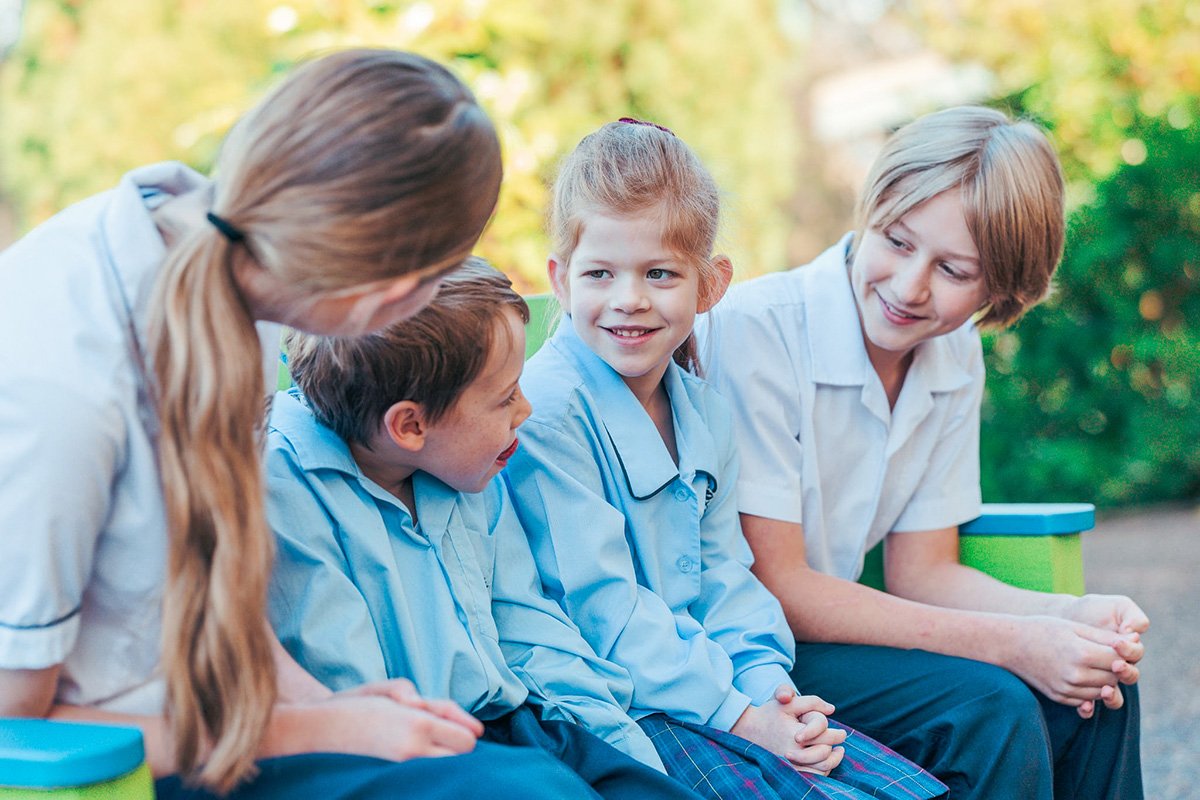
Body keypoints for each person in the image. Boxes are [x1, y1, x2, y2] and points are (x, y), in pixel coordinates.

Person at [0, 48, 593, 799]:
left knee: (535, 774)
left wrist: (335, 705)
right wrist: (311, 730)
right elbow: (20, 726)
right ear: (384, 292)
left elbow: (210, 585)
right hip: (130, 769)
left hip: (229, 725)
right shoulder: (63, 382)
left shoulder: (229, 272)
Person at [698, 105, 1146, 800]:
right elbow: (780, 589)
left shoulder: (954, 354)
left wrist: (1066, 620)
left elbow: (924, 572)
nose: (911, 287)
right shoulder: (759, 333)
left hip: (830, 641)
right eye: (898, 242)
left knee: (1094, 688)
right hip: (743, 655)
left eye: (954, 269)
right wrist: (1014, 643)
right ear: (870, 209)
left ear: (1001, 286)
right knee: (992, 707)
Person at [505, 119, 947, 800]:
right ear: (561, 280)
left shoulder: (704, 412)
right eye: (601, 273)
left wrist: (771, 689)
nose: (630, 299)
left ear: (710, 285)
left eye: (659, 273)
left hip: (713, 687)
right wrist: (743, 716)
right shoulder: (550, 411)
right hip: (620, 702)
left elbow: (728, 577)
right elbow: (606, 609)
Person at [266, 257, 704, 800]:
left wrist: (623, 750)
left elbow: (529, 629)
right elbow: (360, 713)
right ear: (410, 425)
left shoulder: (462, 466)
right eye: (504, 398)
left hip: (509, 720)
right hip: (403, 749)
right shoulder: (285, 490)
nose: (526, 408)